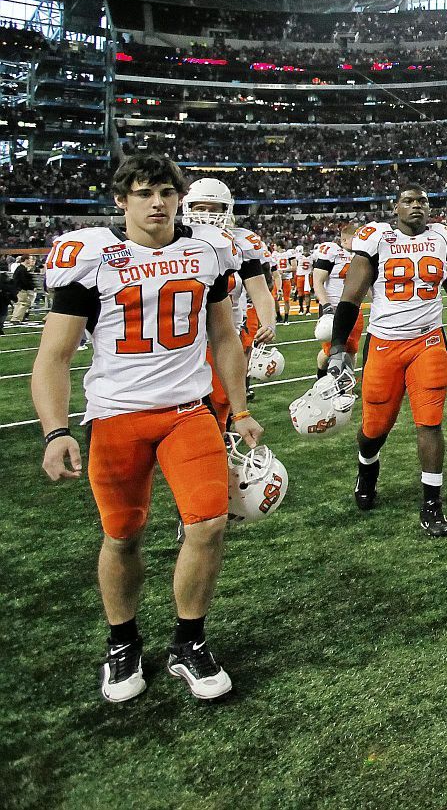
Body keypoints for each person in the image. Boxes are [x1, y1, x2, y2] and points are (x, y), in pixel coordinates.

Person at [30, 154, 264, 702]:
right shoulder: (90, 255)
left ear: (179, 197)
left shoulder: (207, 250)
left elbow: (225, 337)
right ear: (121, 200)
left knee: (208, 525)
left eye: (165, 191)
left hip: (187, 410)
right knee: (123, 535)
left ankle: (188, 640)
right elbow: (53, 355)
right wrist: (55, 429)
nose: (156, 202)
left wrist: (241, 407)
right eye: (143, 192)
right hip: (116, 415)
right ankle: (122, 641)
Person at [324, 187, 447, 537]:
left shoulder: (444, 239)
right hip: (384, 343)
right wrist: (339, 347)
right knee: (374, 430)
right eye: (409, 201)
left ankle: (432, 504)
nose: (416, 206)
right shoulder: (377, 239)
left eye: (423, 201)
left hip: (428, 341)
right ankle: (367, 466)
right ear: (396, 208)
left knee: (429, 422)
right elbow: (351, 295)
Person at [181, 178, 277, 430]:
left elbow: (259, 288)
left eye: (215, 209)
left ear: (227, 211)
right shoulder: (173, 241)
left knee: (218, 414)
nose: (207, 216)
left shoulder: (240, 243)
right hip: (182, 343)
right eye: (200, 209)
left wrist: (268, 321)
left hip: (225, 339)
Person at [312, 224, 361, 378]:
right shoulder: (332, 251)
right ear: (345, 239)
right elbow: (317, 281)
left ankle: (346, 384)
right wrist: (326, 306)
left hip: (353, 308)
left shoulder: (361, 256)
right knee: (330, 351)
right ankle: (321, 377)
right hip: (333, 308)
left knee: (352, 348)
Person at [10, 254, 36, 323]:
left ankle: (16, 317)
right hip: (21, 289)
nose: (31, 260)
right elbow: (24, 281)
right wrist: (31, 287)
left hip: (17, 289)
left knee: (20, 303)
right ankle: (16, 319)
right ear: (26, 260)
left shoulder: (20, 268)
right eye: (30, 259)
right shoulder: (22, 269)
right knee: (23, 303)